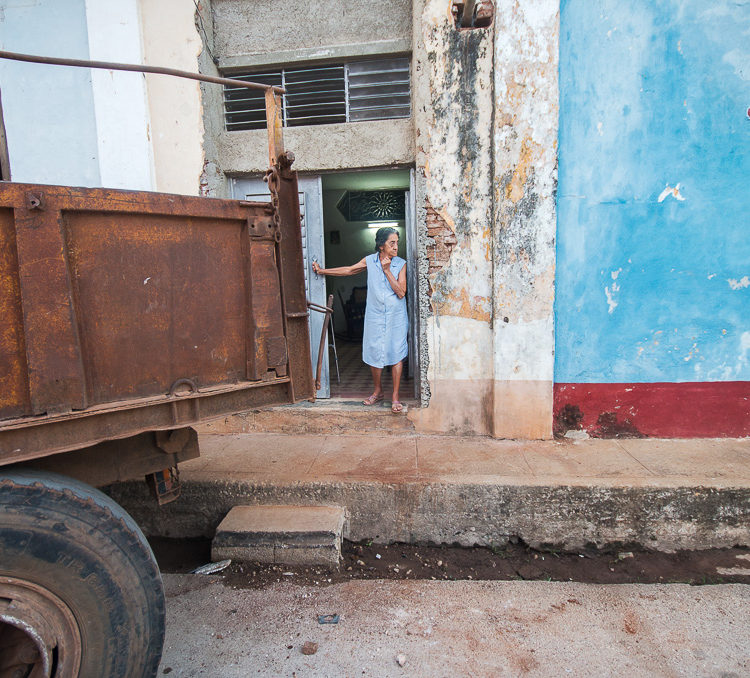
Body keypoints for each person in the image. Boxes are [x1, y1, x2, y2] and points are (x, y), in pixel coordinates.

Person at [312, 227, 408, 413]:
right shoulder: (370, 261)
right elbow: (349, 270)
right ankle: (378, 391)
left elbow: (401, 293)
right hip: (375, 316)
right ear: (381, 246)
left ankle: (395, 396)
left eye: (397, 242)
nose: (396, 247)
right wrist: (323, 271)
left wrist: (387, 271)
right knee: (373, 352)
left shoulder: (400, 264)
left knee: (396, 352)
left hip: (396, 316)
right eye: (392, 243)